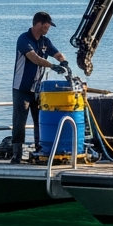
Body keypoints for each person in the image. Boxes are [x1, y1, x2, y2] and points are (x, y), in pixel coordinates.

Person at [11, 11, 69, 163]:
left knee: (40, 121)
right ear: (38, 24)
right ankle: (16, 155)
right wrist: (52, 66)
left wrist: (64, 63)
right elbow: (34, 58)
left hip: (38, 90)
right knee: (19, 122)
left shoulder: (45, 42)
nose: (48, 29)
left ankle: (39, 151)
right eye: (46, 26)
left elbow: (57, 53)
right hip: (21, 89)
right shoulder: (24, 39)